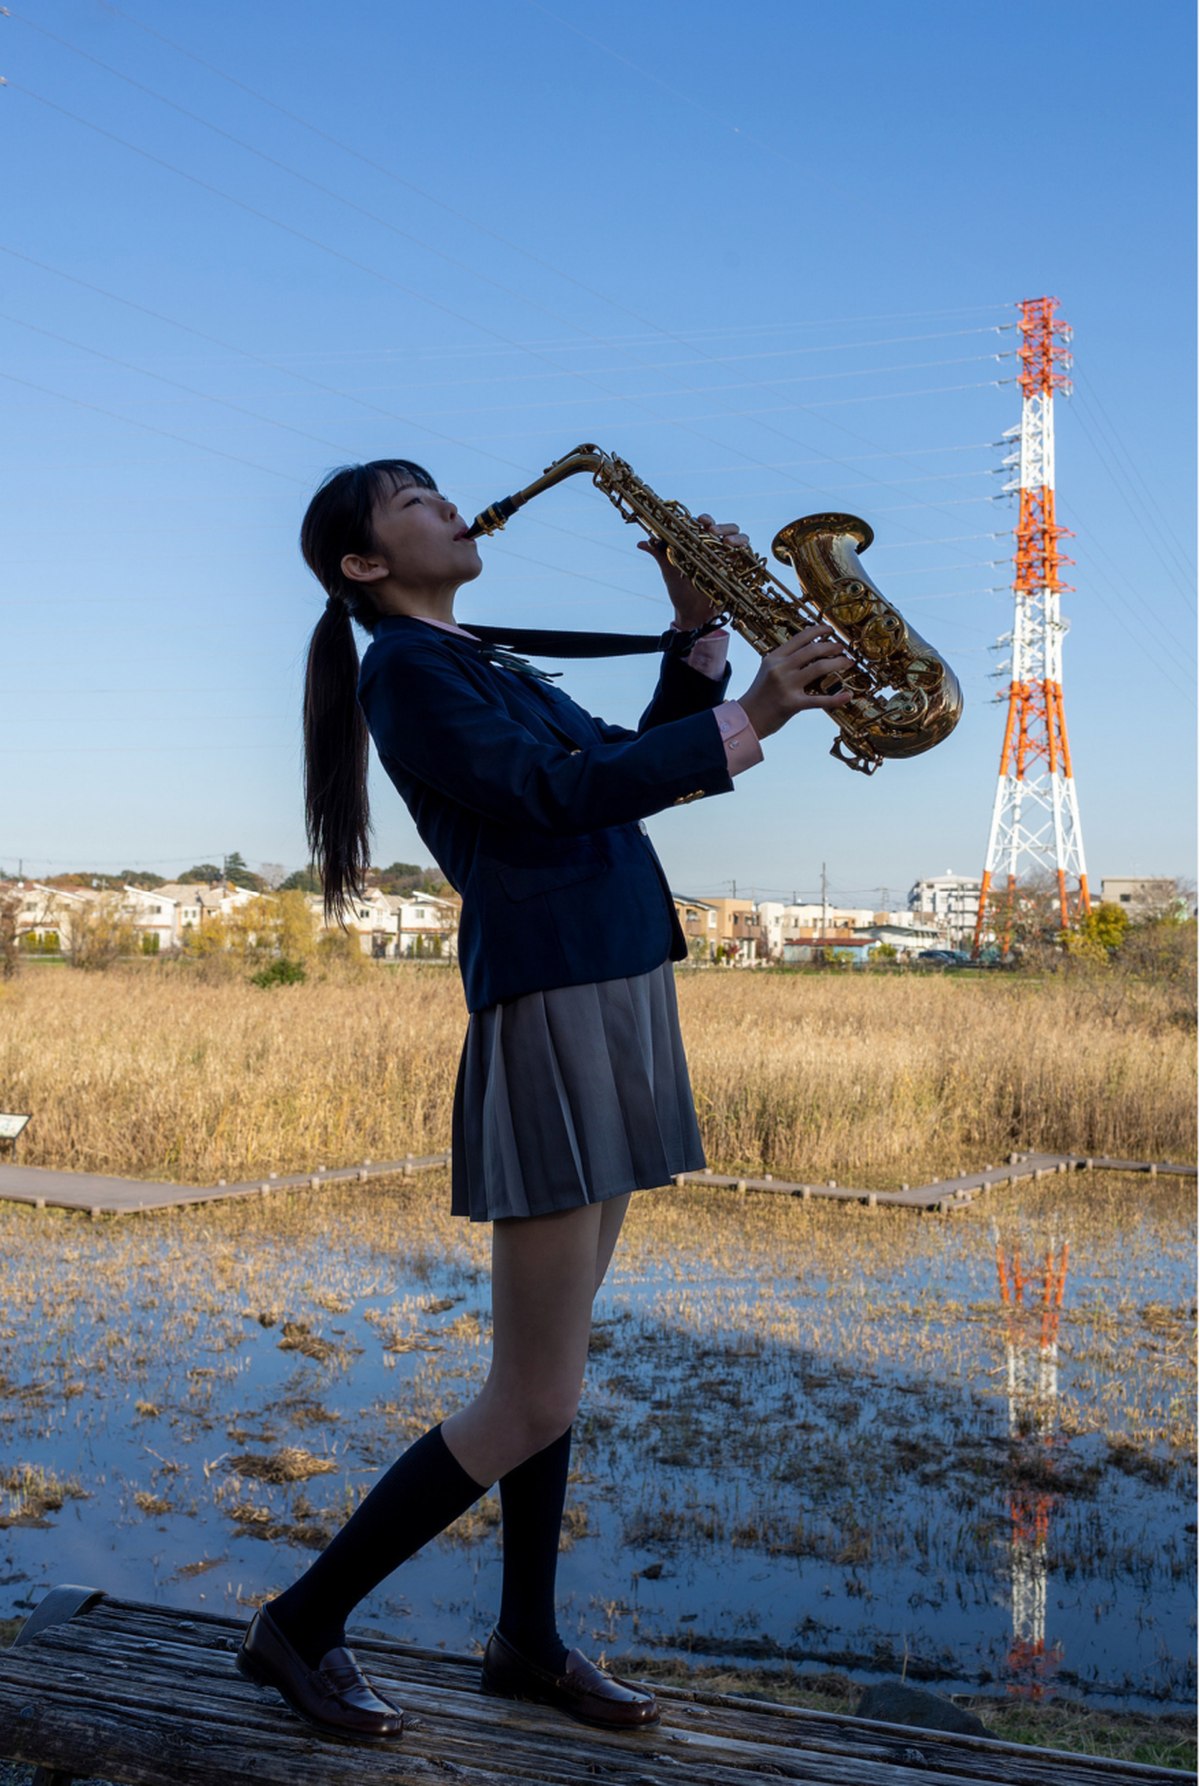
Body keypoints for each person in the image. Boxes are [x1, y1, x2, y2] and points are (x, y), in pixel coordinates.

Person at [236, 457, 854, 1743]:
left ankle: (524, 1638)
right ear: (365, 564)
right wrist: (762, 714)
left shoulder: (482, 662)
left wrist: (698, 636)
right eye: (414, 504)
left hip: (613, 981)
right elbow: (552, 798)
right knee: (533, 1393)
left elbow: (616, 768)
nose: (450, 508)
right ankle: (298, 1624)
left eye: (438, 492)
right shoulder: (406, 670)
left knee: (552, 1365)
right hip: (559, 1002)